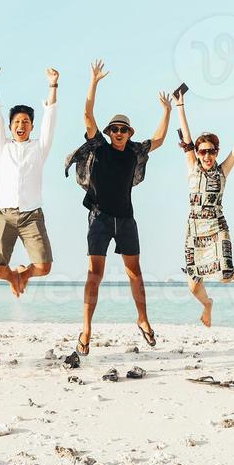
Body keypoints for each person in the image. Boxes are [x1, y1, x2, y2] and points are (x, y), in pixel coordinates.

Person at [63, 59, 171, 355]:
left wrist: (167, 111)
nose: (119, 133)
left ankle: (143, 320)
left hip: (126, 220)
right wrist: (94, 81)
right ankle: (86, 331)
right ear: (109, 132)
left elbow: (159, 140)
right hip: (98, 218)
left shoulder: (135, 151)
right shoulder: (99, 146)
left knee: (135, 272)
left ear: (129, 133)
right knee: (94, 274)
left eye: (124, 129)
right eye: (115, 129)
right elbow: (87, 113)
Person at [175, 100, 234, 326]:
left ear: (217, 152)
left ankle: (233, 273)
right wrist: (180, 106)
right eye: (203, 151)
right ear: (197, 153)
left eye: (212, 151)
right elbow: (186, 138)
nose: (208, 156)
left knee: (225, 275)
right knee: (193, 285)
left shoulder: (223, 171)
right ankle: (208, 304)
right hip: (195, 231)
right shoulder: (192, 167)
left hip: (217, 227)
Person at [0, 65, 59, 297]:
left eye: (26, 122)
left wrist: (53, 85)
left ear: (32, 126)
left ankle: (22, 275)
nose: (21, 125)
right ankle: (12, 277)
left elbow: (50, 120)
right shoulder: (3, 147)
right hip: (4, 214)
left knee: (44, 267)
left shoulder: (39, 148)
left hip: (31, 214)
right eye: (17, 122)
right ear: (10, 126)